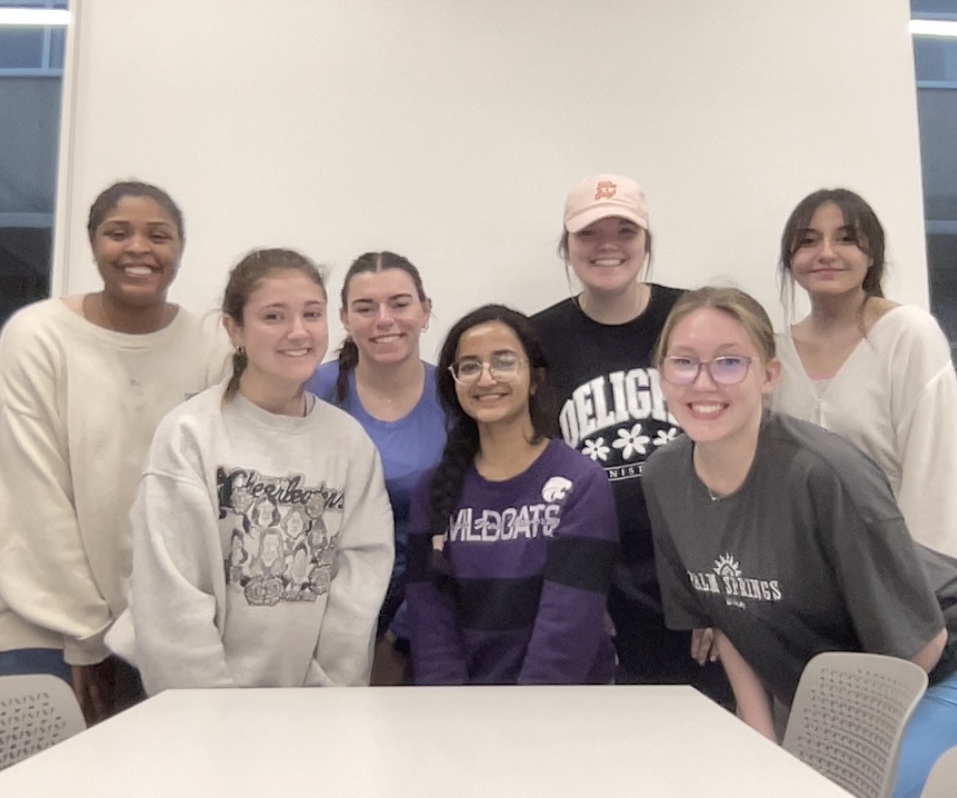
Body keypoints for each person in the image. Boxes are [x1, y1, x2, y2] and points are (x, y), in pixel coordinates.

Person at [643, 286, 957, 798]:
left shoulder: (823, 471)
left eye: (729, 362)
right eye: (684, 362)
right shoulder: (664, 477)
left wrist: (829, 755)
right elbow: (728, 619)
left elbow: (922, 644)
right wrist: (761, 743)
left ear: (769, 376)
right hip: (886, 682)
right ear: (661, 375)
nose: (703, 382)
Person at [0, 180, 227, 723]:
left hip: (153, 625)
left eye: (158, 235)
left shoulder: (211, 347)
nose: (139, 248)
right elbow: (31, 496)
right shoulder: (39, 336)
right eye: (118, 233)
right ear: (93, 244)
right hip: (38, 618)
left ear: (180, 248)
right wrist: (87, 636)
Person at [105, 248, 394, 693]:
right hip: (194, 701)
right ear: (234, 328)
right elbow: (171, 597)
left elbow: (359, 585)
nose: (298, 332)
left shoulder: (349, 443)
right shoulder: (189, 435)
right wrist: (216, 710)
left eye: (312, 314)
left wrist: (326, 697)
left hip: (310, 706)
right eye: (274, 316)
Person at [530, 174, 730, 699]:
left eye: (625, 231)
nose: (608, 246)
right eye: (589, 233)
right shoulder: (539, 339)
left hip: (698, 573)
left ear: (647, 240)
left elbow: (737, 453)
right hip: (601, 579)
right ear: (566, 244)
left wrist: (726, 589)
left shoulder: (693, 320)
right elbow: (537, 476)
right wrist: (577, 593)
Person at [771, 188, 957, 565]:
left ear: (872, 254)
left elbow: (939, 474)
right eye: (808, 241)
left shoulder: (908, 335)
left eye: (846, 238)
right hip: (808, 572)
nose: (826, 253)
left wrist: (923, 585)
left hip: (897, 568)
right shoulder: (775, 353)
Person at [406, 304, 618, 684]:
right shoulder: (431, 491)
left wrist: (523, 716)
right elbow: (431, 630)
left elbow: (566, 636)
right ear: (454, 383)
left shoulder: (581, 483)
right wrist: (452, 710)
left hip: (560, 708)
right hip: (460, 710)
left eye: (504, 362)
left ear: (535, 378)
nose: (486, 377)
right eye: (469, 366)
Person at [308, 251, 446, 684]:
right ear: (345, 318)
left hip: (423, 608)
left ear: (425, 311)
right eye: (366, 308)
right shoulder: (309, 393)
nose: (384, 320)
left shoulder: (455, 396)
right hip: (320, 612)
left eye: (400, 304)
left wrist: (401, 633)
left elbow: (462, 521)